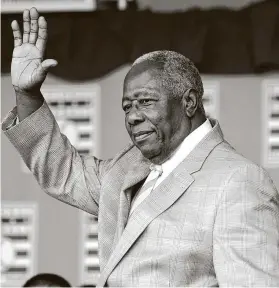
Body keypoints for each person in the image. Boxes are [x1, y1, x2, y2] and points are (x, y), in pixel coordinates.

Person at [2, 7, 279, 287]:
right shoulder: (128, 168)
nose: (132, 116)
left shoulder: (238, 181)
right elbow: (63, 171)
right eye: (127, 106)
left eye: (145, 101)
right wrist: (28, 95)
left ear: (189, 102)